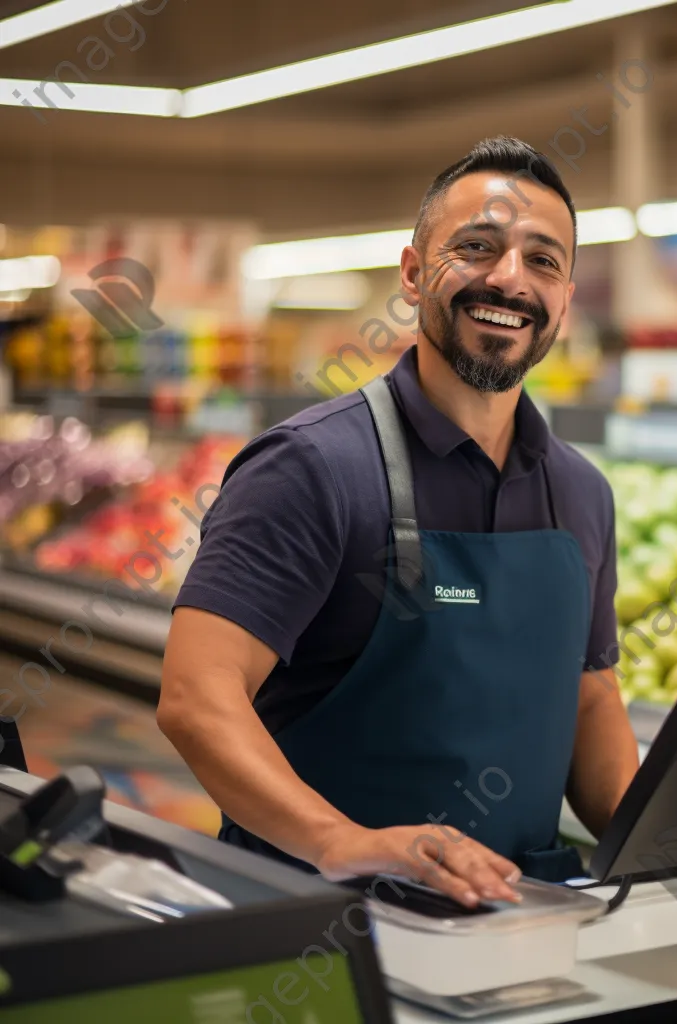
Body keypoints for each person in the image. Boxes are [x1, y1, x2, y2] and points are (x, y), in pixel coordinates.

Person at [158, 137, 639, 907]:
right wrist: (340, 842)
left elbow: (589, 699)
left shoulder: (581, 493)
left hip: (515, 928)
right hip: (313, 927)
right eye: (477, 248)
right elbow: (196, 695)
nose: (510, 278)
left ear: (565, 299)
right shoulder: (311, 469)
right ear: (414, 273)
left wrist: (674, 837)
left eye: (543, 261)